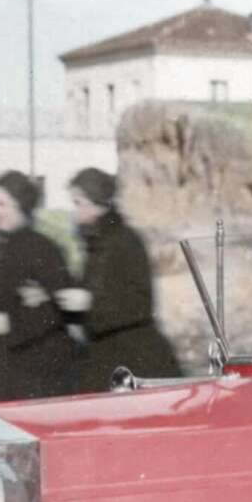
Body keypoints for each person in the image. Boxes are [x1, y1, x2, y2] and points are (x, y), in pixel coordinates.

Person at [61, 167, 182, 391]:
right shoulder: (97, 242)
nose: (74, 211)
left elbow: (140, 304)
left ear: (95, 203)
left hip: (135, 359)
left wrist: (90, 303)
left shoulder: (125, 241)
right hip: (109, 356)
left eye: (78, 202)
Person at [0, 170, 80, 402]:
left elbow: (58, 309)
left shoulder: (42, 249)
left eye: (1, 204)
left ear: (20, 207)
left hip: (29, 372)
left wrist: (11, 326)